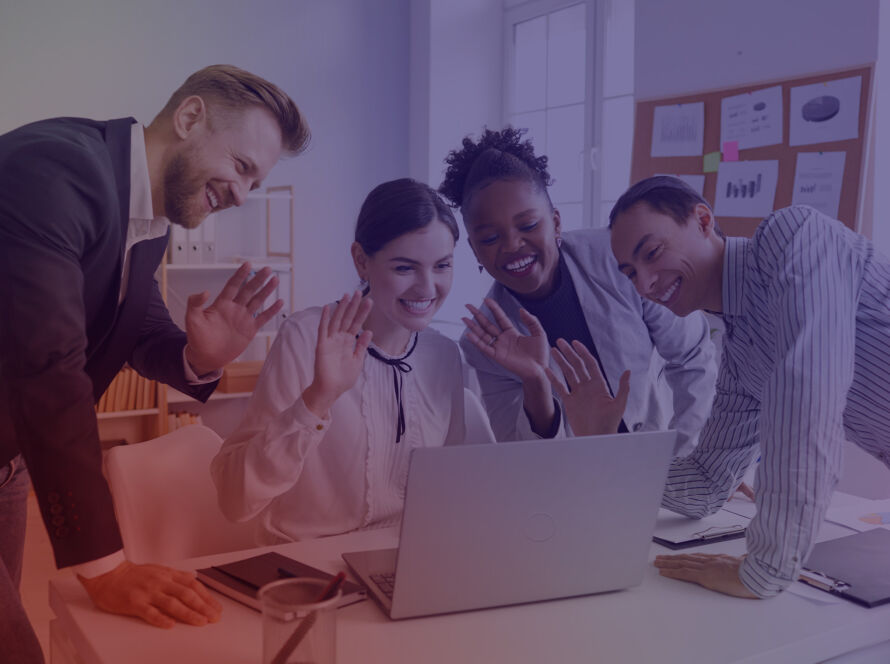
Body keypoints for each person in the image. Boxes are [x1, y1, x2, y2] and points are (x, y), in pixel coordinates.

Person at [0, 65, 308, 662]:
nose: (243, 195)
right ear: (190, 117)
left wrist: (199, 355)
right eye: (243, 167)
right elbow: (49, 368)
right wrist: (105, 567)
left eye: (256, 184)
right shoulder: (56, 171)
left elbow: (131, 321)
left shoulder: (148, 213)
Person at [608, 175, 890, 599]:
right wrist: (604, 456)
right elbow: (705, 483)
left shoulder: (792, 237)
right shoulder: (741, 359)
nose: (645, 284)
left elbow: (807, 396)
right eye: (630, 273)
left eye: (652, 253)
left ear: (703, 220)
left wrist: (765, 568)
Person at [211, 178, 471, 543]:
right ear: (361, 261)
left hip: (408, 558)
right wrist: (317, 399)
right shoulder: (305, 337)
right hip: (306, 566)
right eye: (404, 268)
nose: (427, 288)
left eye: (442, 266)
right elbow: (234, 499)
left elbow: (453, 482)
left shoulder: (443, 355)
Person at [438, 127, 717, 450]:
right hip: (576, 487)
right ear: (474, 249)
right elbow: (521, 459)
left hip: (664, 461)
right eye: (489, 238)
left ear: (556, 223)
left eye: (528, 226)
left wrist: (690, 464)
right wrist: (535, 383)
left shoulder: (620, 258)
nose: (513, 245)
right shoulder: (485, 344)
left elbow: (692, 357)